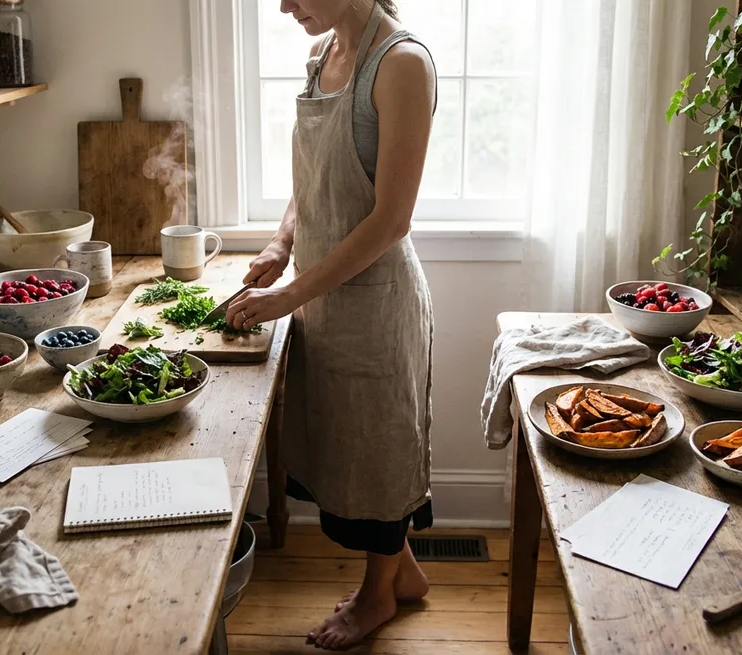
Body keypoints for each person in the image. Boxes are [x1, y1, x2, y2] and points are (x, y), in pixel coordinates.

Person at [224, 0, 436, 648]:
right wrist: (281, 243)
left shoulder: (401, 64)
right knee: (347, 450)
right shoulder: (321, 56)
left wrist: (291, 294)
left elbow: (391, 219)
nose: (283, 6)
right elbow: (314, 176)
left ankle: (378, 596)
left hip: (375, 303)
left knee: (379, 454)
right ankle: (404, 573)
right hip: (323, 293)